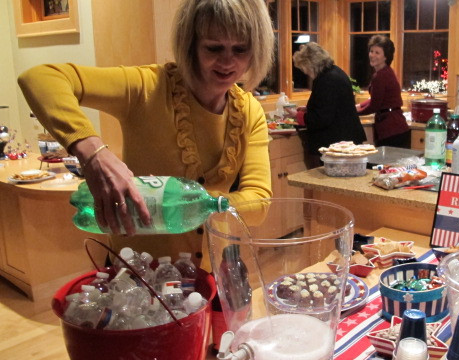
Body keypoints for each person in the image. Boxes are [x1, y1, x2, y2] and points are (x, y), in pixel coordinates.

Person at [17, 0, 274, 268]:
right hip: (138, 272)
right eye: (214, 47)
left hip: (213, 272)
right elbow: (39, 78)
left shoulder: (249, 111)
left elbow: (259, 203)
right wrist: (93, 153)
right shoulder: (146, 87)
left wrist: (197, 204)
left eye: (241, 49)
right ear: (191, 45)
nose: (227, 61)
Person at [285, 42, 366, 169]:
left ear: (311, 64)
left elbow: (322, 118)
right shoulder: (335, 72)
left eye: (303, 67)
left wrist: (298, 116)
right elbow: (331, 105)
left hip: (337, 144)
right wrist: (308, 109)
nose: (304, 72)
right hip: (346, 138)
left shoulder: (326, 80)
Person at [356, 35, 410, 148]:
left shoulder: (380, 76)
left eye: (377, 52)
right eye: (371, 51)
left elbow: (374, 106)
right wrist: (359, 105)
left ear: (386, 56)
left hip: (391, 129)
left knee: (388, 165)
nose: (372, 55)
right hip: (397, 127)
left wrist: (354, 113)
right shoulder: (386, 72)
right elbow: (376, 98)